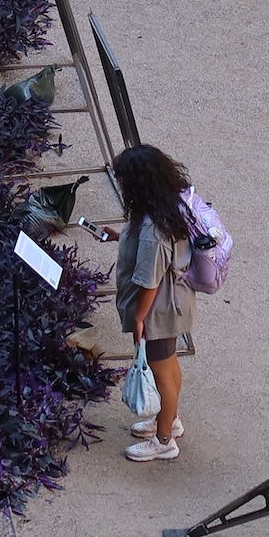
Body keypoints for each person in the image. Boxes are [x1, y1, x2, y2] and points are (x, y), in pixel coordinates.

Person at [112, 143, 195, 462]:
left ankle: (163, 441)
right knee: (169, 365)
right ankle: (169, 421)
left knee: (161, 371)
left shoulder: (152, 229)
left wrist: (139, 320)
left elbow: (149, 280)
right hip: (174, 304)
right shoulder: (167, 206)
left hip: (159, 311)